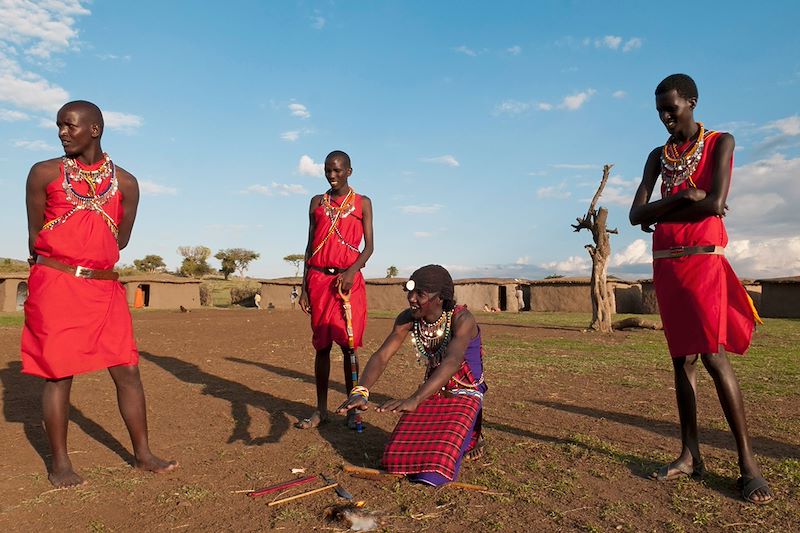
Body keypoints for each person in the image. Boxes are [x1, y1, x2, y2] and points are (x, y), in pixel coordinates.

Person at [629, 74, 772, 505]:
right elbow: (637, 213)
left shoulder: (721, 143)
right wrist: (683, 196)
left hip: (703, 261)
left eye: (671, 108)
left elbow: (714, 203)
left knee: (712, 354)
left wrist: (682, 202)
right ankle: (690, 455)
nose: (665, 117)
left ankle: (748, 464)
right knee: (681, 360)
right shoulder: (658, 155)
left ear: (692, 102)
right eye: (659, 111)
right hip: (667, 266)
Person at [21, 101, 177, 488]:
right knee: (58, 374)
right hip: (57, 282)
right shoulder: (44, 174)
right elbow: (35, 233)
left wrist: (92, 253)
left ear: (94, 129)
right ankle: (60, 464)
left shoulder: (126, 183)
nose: (61, 132)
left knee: (127, 369)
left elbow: (120, 239)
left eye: (69, 125)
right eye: (58, 125)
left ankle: (143, 455)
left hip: (105, 287)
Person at [338, 265, 486, 486]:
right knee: (394, 460)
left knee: (432, 472)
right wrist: (361, 391)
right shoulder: (408, 319)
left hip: (465, 392)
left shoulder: (462, 319)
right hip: (433, 391)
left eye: (420, 294)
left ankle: (473, 437)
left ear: (441, 298)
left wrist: (415, 399)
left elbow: (452, 362)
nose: (411, 298)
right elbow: (382, 356)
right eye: (410, 292)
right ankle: (464, 436)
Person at [296, 150, 374, 429]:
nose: (332, 175)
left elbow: (370, 247)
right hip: (318, 281)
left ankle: (354, 410)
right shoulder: (316, 202)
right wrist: (304, 287)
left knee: (348, 346)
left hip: (347, 282)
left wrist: (352, 271)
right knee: (322, 347)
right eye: (328, 170)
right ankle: (321, 409)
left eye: (338, 170)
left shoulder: (362, 203)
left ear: (349, 171)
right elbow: (308, 247)